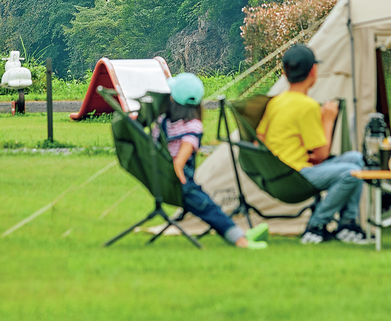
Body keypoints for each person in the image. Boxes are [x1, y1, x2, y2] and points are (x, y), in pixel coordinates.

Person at [256, 45, 369, 245]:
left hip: (277, 173)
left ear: (284, 73)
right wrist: (328, 119)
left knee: (356, 159)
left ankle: (346, 224)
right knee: (351, 173)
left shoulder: (276, 102)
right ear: (313, 72)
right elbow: (322, 155)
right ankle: (316, 226)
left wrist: (291, 152)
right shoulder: (307, 106)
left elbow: (260, 137)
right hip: (295, 177)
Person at [157, 72, 266, 249]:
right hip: (180, 181)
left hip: (161, 174)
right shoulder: (193, 126)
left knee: (209, 205)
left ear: (172, 99)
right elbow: (181, 158)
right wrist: (177, 174)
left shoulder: (163, 123)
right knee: (209, 208)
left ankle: (241, 233)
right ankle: (241, 241)